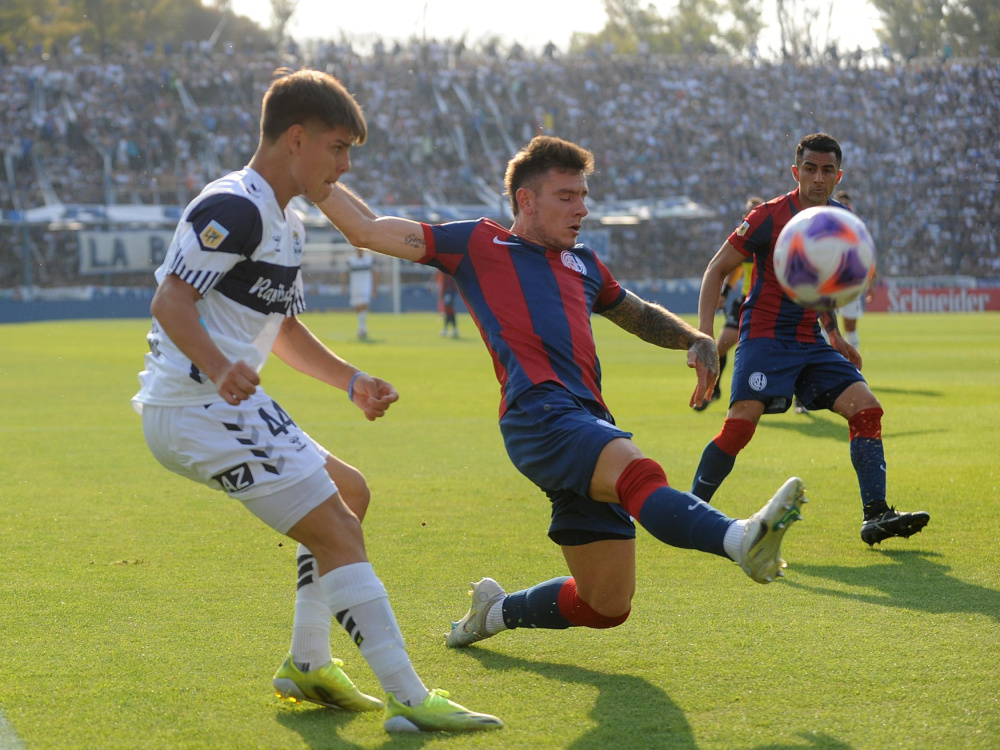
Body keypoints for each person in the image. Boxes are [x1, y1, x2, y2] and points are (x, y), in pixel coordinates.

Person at [318, 135, 806, 650]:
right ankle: (740, 539)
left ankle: (494, 612)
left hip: (585, 416)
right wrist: (315, 181)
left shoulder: (584, 263)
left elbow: (635, 313)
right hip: (538, 412)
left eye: (583, 195)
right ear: (526, 201)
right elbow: (366, 230)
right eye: (567, 196)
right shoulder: (477, 244)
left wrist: (693, 339)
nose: (583, 209)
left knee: (605, 603)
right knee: (637, 470)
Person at [130, 68, 502, 734]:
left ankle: (307, 661)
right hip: (193, 409)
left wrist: (351, 380)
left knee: (348, 493)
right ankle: (410, 698)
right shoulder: (234, 207)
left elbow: (284, 329)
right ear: (296, 139)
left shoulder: (287, 221)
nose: (346, 164)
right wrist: (218, 367)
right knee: (336, 528)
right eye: (338, 148)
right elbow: (170, 301)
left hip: (225, 403)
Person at [689, 132, 929, 546]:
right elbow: (716, 269)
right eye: (811, 169)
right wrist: (705, 337)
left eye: (828, 170)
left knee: (866, 409)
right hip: (765, 335)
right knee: (740, 426)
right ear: (795, 171)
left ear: (839, 175)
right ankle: (689, 513)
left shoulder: (839, 222)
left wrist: (833, 332)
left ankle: (875, 515)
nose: (819, 178)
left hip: (810, 341)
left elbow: (823, 284)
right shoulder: (769, 215)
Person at [694, 195, 762, 411]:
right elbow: (734, 268)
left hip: (767, 303)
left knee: (760, 353)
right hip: (745, 301)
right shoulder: (743, 238)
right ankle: (713, 390)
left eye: (757, 210)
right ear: (744, 216)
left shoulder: (772, 236)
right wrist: (724, 292)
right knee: (721, 347)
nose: (752, 214)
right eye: (749, 211)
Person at [832, 190, 875, 350]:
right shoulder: (824, 225)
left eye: (846, 203)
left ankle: (852, 368)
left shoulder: (857, 227)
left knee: (850, 325)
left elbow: (866, 255)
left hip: (849, 282)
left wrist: (870, 282)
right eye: (840, 203)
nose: (844, 206)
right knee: (824, 324)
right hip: (826, 281)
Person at [344, 246, 376, 340]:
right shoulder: (351, 260)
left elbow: (375, 273)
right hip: (355, 287)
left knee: (364, 304)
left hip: (366, 286)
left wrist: (375, 288)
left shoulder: (369, 259)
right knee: (358, 307)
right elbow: (344, 274)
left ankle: (362, 329)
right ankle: (361, 326)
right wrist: (344, 286)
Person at [437, 270, 460, 338]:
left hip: (450, 292)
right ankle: (453, 329)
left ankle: (447, 329)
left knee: (449, 310)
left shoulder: (446, 269)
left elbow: (451, 281)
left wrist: (449, 292)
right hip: (448, 292)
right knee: (449, 311)